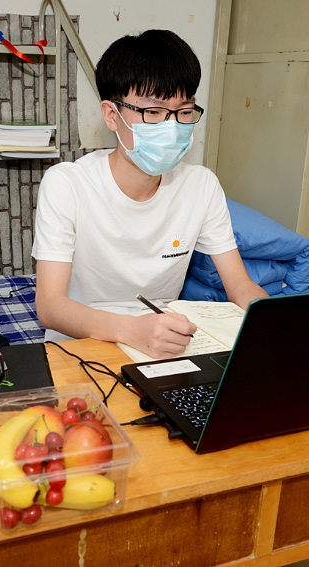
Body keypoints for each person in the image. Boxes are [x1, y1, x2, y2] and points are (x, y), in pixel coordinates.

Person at [31, 29, 267, 360]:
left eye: (184, 111)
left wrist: (274, 323)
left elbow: (240, 286)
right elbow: (50, 306)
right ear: (112, 115)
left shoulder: (201, 186)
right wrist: (131, 329)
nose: (172, 127)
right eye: (153, 113)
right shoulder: (67, 185)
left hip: (163, 344)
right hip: (82, 341)